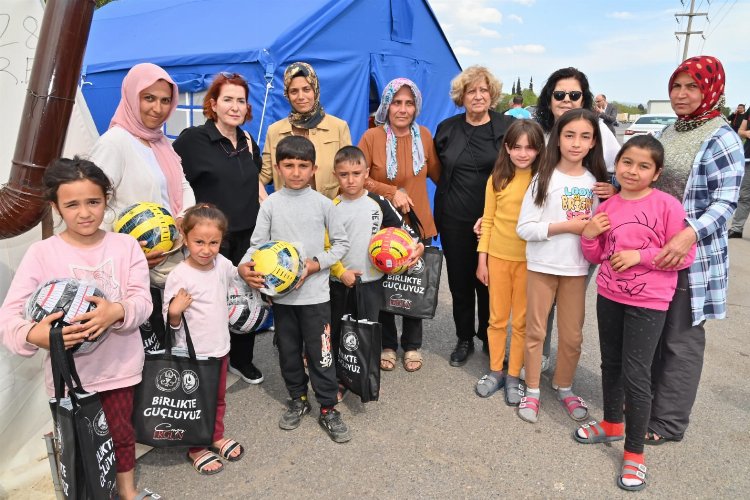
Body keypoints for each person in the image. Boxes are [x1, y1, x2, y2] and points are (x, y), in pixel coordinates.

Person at [0, 158, 155, 500]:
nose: (84, 212)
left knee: (121, 434)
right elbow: (8, 317)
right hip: (69, 378)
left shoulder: (125, 246)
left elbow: (143, 303)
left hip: (119, 369)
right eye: (72, 204)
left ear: (106, 200)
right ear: (55, 207)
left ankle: (127, 491)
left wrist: (117, 311)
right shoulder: (41, 253)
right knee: (79, 442)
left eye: (93, 202)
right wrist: (34, 335)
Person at [576, 136, 696, 492]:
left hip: (650, 301)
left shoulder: (668, 206)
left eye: (644, 166)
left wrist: (639, 257)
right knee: (610, 363)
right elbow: (595, 255)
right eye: (627, 162)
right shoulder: (607, 205)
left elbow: (684, 256)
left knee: (636, 373)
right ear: (618, 165)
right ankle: (612, 424)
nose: (633, 171)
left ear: (656, 173)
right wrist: (589, 233)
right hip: (609, 295)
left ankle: (634, 452)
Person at [648, 56, 744, 444]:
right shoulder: (671, 130)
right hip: (656, 251)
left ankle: (668, 422)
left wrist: (687, 234)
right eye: (677, 86)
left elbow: (725, 203)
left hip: (692, 256)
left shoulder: (722, 136)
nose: (682, 94)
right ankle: (647, 402)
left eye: (692, 87)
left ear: (711, 90)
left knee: (680, 339)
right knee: (651, 332)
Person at [242, 136, 351, 442]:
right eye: (288, 165)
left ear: (314, 169)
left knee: (321, 353)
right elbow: (255, 247)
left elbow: (341, 244)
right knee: (289, 352)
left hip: (316, 298)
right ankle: (297, 399)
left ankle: (328, 407)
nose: (296, 172)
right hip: (283, 300)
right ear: (277, 167)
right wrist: (243, 267)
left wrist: (315, 264)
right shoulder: (271, 205)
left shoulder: (324, 205)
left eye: (303, 166)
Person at [89, 62, 195, 352]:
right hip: (135, 266)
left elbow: (182, 185)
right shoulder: (115, 142)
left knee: (171, 340)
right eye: (149, 98)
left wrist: (184, 217)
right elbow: (93, 203)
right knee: (147, 347)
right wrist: (126, 246)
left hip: (169, 256)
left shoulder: (160, 142)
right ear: (132, 97)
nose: (158, 108)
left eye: (165, 100)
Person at [516, 109, 609, 424]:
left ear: (594, 142)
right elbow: (525, 228)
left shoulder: (596, 183)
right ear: (557, 139)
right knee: (536, 331)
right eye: (569, 135)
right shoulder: (543, 177)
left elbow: (597, 231)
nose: (576, 143)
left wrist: (593, 234)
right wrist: (565, 227)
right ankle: (531, 390)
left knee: (572, 336)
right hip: (542, 266)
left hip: (575, 270)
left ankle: (564, 386)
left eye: (585, 136)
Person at [172, 72, 265, 385]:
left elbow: (255, 185)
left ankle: (242, 359)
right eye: (228, 99)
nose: (235, 107)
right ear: (213, 103)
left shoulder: (250, 141)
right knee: (211, 303)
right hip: (211, 240)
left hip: (248, 235)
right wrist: (183, 220)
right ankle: (210, 362)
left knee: (248, 297)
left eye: (240, 100)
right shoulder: (192, 140)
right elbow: (174, 182)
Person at [531, 67, 620, 373]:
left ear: (584, 98)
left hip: (581, 236)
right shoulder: (536, 130)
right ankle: (536, 357)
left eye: (574, 95)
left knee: (568, 304)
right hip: (540, 231)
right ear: (549, 97)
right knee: (539, 303)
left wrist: (615, 187)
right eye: (559, 94)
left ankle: (563, 370)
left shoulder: (598, 130)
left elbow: (624, 167)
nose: (566, 100)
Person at [359, 77, 441, 372]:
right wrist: (393, 192)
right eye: (397, 102)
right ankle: (388, 344)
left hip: (419, 226)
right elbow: (360, 178)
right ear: (387, 105)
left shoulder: (426, 136)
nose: (403, 109)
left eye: (409, 103)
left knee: (414, 286)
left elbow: (439, 174)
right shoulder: (371, 137)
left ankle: (412, 345)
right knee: (384, 287)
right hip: (383, 226)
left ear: (416, 107)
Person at [433, 66, 513, 367]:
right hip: (454, 218)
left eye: (483, 90)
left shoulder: (506, 128)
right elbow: (439, 171)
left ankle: (489, 337)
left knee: (492, 283)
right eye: (471, 91)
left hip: (496, 221)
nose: (478, 96)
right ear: (461, 96)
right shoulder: (447, 129)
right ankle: (464, 337)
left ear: (491, 94)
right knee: (460, 283)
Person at [329, 146, 424, 389]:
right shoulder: (331, 207)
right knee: (340, 332)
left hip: (371, 283)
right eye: (344, 174)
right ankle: (341, 379)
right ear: (335, 175)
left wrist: (417, 247)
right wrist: (341, 272)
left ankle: (365, 379)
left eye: (357, 173)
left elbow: (406, 231)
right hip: (340, 282)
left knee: (367, 332)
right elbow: (325, 246)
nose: (351, 180)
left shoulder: (378, 202)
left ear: (366, 173)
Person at [164, 204, 246, 475]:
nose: (206, 249)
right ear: (185, 238)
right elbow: (170, 320)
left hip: (220, 348)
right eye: (199, 242)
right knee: (194, 402)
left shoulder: (221, 264)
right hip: (191, 354)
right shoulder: (179, 275)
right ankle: (196, 446)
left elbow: (235, 275)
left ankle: (215, 435)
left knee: (218, 397)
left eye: (214, 242)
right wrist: (175, 311)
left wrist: (245, 271)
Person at [475, 120, 545, 405]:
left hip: (531, 261)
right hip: (498, 258)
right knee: (496, 319)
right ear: (507, 148)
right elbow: (488, 221)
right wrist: (483, 260)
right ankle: (495, 370)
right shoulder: (497, 178)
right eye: (517, 147)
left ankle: (514, 374)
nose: (523, 153)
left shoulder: (543, 180)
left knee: (521, 322)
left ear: (540, 150)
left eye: (530, 147)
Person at [262, 62, 352, 199]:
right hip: (288, 213)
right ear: (287, 94)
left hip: (328, 211)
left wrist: (337, 208)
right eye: (294, 91)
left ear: (315, 90)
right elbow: (264, 175)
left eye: (306, 89)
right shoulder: (274, 131)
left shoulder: (338, 127)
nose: (300, 97)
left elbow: (347, 172)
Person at [728, 113, 750, 238]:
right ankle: (737, 228)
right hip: (749, 159)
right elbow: (741, 131)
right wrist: (746, 133)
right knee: (744, 195)